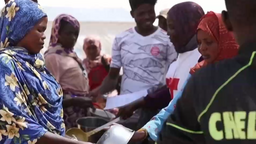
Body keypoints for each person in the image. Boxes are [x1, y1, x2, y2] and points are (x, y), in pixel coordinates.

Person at [0, 0, 92, 144]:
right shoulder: (5, 63)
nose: (44, 36)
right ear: (21, 28)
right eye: (39, 30)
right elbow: (17, 124)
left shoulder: (35, 63)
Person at [155, 9, 242, 143]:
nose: (202, 48)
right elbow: (174, 108)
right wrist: (148, 130)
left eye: (208, 42)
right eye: (199, 42)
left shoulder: (244, 73)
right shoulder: (198, 74)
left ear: (225, 40)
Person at [90, 0, 177, 130]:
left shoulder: (167, 39)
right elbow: (113, 77)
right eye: (141, 13)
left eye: (150, 12)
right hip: (127, 110)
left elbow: (172, 77)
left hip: (154, 110)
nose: (147, 17)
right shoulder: (122, 39)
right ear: (132, 14)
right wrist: (97, 94)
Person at [118, 1, 204, 123]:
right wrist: (141, 103)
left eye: (173, 27)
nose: (168, 33)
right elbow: (170, 92)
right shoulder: (179, 59)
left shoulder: (203, 60)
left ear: (189, 27)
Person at [44, 14, 92, 129]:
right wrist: (74, 101)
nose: (73, 38)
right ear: (57, 33)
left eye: (76, 34)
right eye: (68, 33)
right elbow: (50, 95)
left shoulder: (72, 56)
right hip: (67, 112)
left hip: (80, 110)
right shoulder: (53, 58)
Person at [83, 36, 118, 108]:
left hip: (108, 95)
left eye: (94, 48)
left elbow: (115, 81)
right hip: (90, 97)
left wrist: (99, 91)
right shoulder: (82, 64)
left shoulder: (107, 60)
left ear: (100, 47)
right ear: (84, 49)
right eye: (88, 48)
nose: (91, 51)